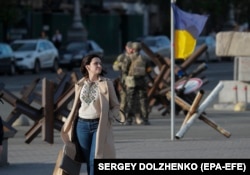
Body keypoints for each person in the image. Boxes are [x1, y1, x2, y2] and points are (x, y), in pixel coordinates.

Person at [58, 54, 120, 175]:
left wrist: (108, 118)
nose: (99, 66)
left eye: (100, 63)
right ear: (87, 66)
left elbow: (116, 106)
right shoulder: (80, 84)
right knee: (87, 160)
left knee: (95, 159)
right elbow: (76, 106)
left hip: (99, 125)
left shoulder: (106, 83)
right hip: (81, 126)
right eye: (95, 63)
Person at [125, 42, 150, 125]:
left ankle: (128, 119)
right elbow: (148, 70)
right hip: (142, 81)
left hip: (131, 81)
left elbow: (124, 69)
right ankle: (145, 119)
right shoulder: (144, 58)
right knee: (143, 100)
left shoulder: (129, 57)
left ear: (132, 49)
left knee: (130, 100)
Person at [112, 41, 133, 122]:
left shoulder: (136, 57)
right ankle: (123, 118)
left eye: (132, 48)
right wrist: (121, 65)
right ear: (126, 48)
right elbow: (115, 66)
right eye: (130, 48)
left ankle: (132, 117)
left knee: (133, 100)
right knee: (123, 101)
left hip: (134, 82)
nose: (131, 50)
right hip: (124, 81)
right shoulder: (122, 57)